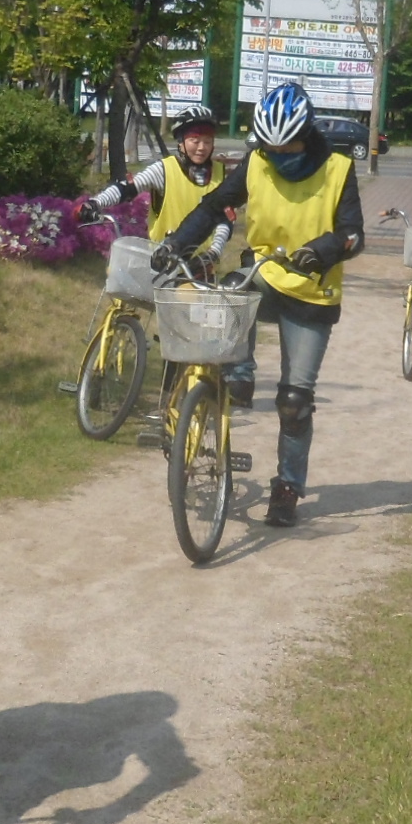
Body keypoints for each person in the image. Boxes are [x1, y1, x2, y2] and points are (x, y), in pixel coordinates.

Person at [158, 80, 365, 528]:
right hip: (267, 272)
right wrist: (176, 243)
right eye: (269, 146)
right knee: (234, 290)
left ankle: (287, 486)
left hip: (312, 289)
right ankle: (238, 372)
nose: (277, 155)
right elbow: (215, 206)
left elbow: (353, 233)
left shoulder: (337, 168)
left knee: (294, 400)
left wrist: (325, 249)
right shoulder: (256, 162)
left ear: (306, 134)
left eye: (285, 145)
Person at [76, 102, 239, 392]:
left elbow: (224, 222)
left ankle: (169, 397)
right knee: (121, 297)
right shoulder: (165, 170)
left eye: (207, 140)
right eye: (194, 140)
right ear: (181, 142)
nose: (201, 147)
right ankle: (100, 366)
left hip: (195, 266)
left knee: (178, 330)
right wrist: (95, 203)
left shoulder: (221, 177)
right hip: (158, 258)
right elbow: (128, 188)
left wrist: (213, 251)